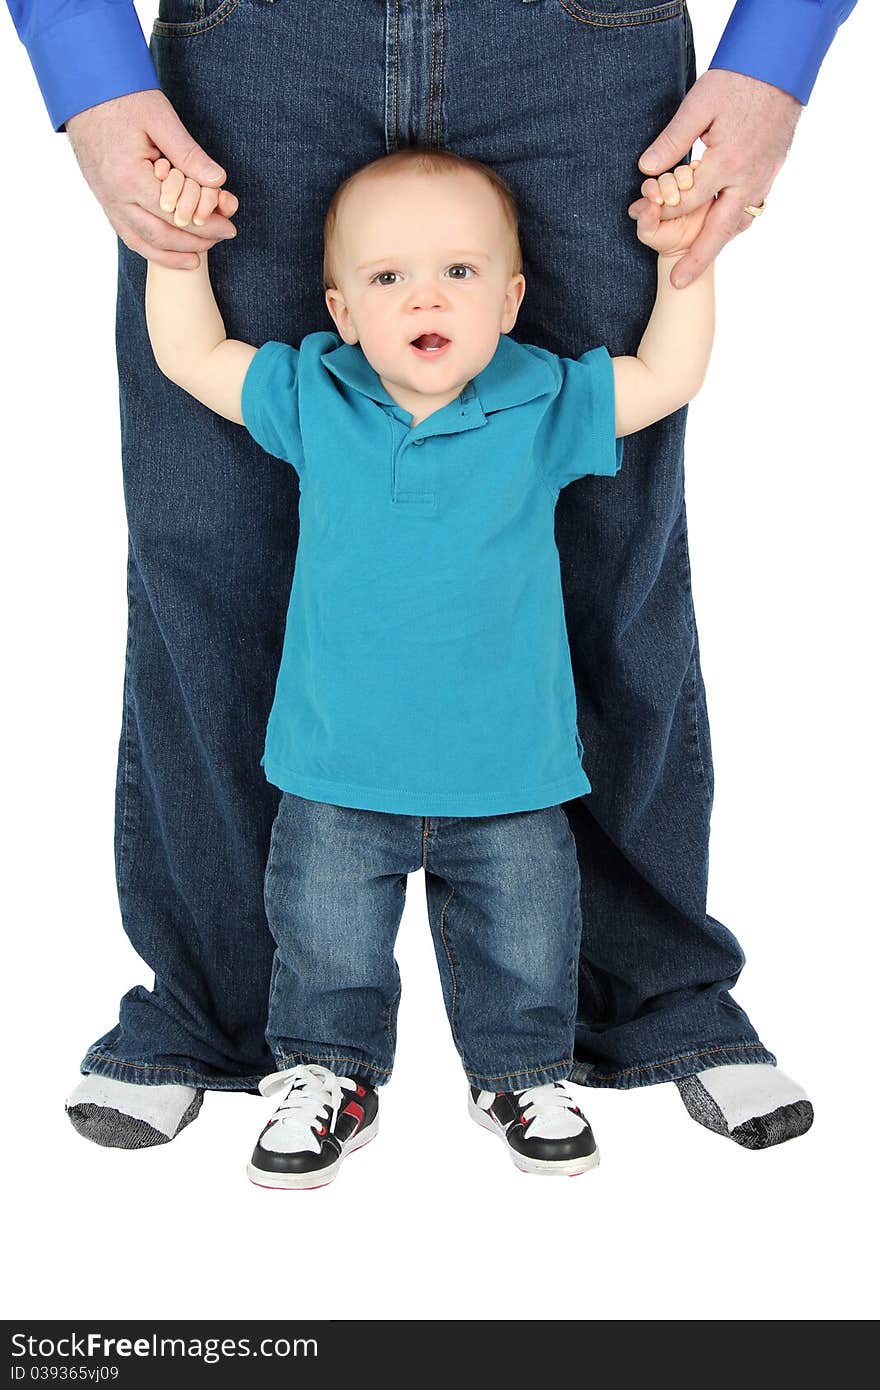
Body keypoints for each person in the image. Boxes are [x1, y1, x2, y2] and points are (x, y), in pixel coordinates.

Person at [7, 0, 856, 1154]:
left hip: (580, 50)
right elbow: (194, 358)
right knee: (207, 550)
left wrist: (779, 51)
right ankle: (228, 1017)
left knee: (610, 564)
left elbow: (663, 374)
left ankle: (639, 1009)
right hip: (256, 46)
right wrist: (86, 59)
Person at [144, 144, 716, 1186]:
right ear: (343, 309)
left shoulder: (539, 402)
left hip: (508, 769)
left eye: (458, 272)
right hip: (335, 766)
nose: (426, 297)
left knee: (526, 945)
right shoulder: (316, 395)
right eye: (387, 276)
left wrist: (689, 262)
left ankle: (523, 1070)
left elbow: (667, 376)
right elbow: (193, 359)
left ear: (510, 299)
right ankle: (326, 1074)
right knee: (325, 952)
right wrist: (174, 256)